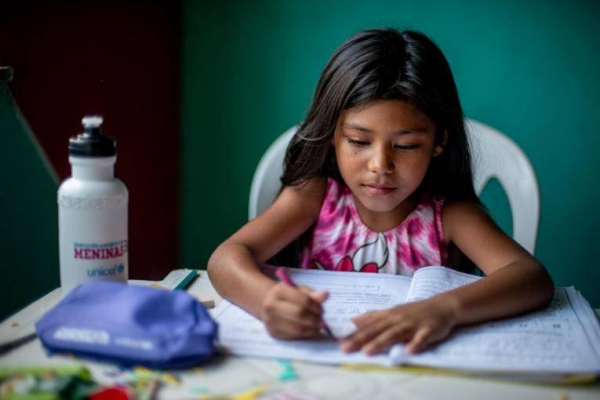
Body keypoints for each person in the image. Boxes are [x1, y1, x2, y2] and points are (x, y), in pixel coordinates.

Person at [207, 28, 554, 356]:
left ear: (438, 142)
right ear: (332, 135)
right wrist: (267, 301)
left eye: (405, 146)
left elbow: (531, 278)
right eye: (359, 141)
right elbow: (226, 258)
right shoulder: (316, 195)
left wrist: (444, 309)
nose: (380, 165)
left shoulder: (448, 214)